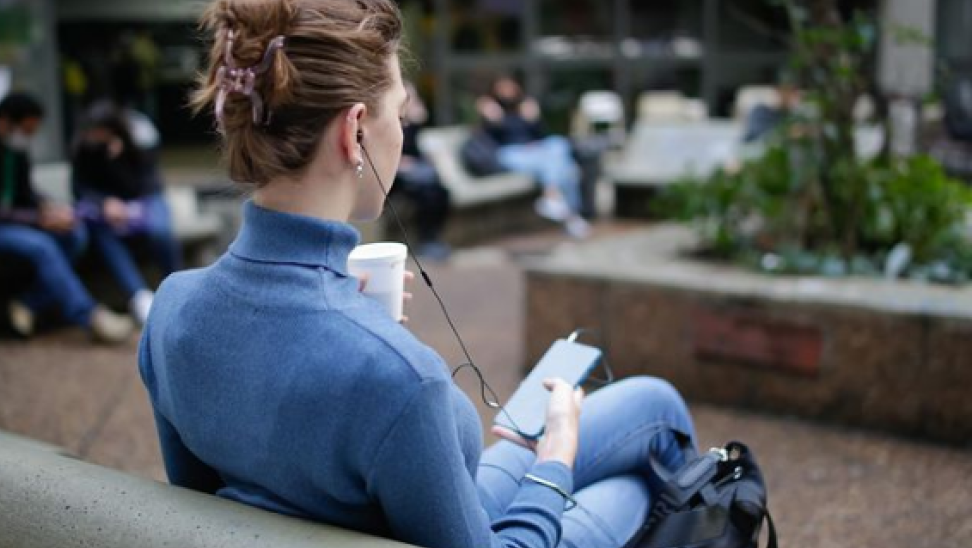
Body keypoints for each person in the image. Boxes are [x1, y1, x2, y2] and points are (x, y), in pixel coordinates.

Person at [139, 2, 696, 548]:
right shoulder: (401, 377)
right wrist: (556, 458)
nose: (400, 134)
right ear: (354, 130)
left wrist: (357, 324)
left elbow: (206, 509)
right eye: (399, 115)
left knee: (653, 401)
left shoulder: (172, 308)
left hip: (419, 507)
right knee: (644, 486)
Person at [0, 93, 133, 343]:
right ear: (5, 122)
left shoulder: (14, 147)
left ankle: (28, 302)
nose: (28, 137)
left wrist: (49, 207)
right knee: (42, 246)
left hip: (13, 220)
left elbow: (25, 192)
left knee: (75, 234)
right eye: (26, 130)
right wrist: (39, 219)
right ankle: (89, 316)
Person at [71, 102, 181, 325]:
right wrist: (105, 203)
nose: (94, 136)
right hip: (108, 213)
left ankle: (177, 288)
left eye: (99, 131)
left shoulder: (136, 140)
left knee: (160, 230)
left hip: (145, 201)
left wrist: (118, 161)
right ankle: (140, 297)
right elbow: (80, 189)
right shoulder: (85, 148)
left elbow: (145, 184)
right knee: (103, 234)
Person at [476, 75, 591, 239]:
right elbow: (489, 140)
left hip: (534, 151)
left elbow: (540, 134)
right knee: (568, 169)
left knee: (559, 145)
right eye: (502, 88)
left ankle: (552, 198)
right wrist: (493, 119)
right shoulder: (490, 108)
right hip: (508, 153)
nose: (506, 91)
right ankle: (571, 217)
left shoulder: (525, 106)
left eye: (509, 87)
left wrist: (534, 119)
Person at [394, 82, 451, 261]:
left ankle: (433, 238)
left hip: (414, 170)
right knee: (425, 191)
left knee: (441, 191)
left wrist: (417, 121)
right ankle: (426, 240)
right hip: (397, 175)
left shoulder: (413, 121)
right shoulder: (392, 121)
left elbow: (414, 147)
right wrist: (401, 163)